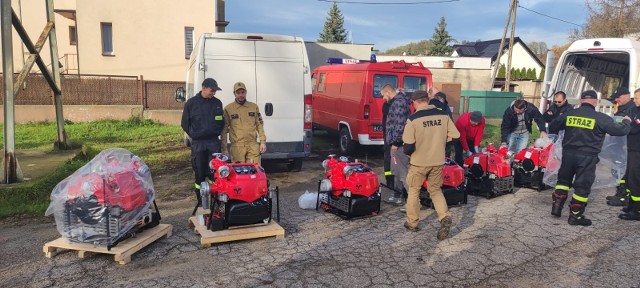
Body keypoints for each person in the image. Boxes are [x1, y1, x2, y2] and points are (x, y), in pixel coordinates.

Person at [549, 90, 631, 226]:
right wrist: (627, 122)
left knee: (563, 181)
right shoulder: (601, 118)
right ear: (595, 102)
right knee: (582, 187)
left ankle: (557, 207)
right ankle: (575, 216)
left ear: (581, 101)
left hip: (568, 154)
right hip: (587, 157)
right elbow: (620, 130)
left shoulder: (569, 114)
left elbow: (553, 126)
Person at [402, 90, 460, 240]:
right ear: (427, 100)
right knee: (435, 190)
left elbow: (408, 147)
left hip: (419, 162)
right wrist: (441, 142)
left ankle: (412, 223)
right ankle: (444, 216)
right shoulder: (443, 114)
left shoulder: (413, 119)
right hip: (438, 160)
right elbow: (456, 135)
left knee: (414, 190)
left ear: (414, 102)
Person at [181, 78, 225, 214]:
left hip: (213, 142)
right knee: (199, 173)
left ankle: (215, 200)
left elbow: (221, 122)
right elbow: (184, 123)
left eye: (215, 91)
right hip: (198, 143)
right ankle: (201, 201)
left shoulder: (217, 103)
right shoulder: (191, 103)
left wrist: (215, 132)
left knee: (214, 172)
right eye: (212, 90)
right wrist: (195, 134)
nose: (213, 93)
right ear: (204, 88)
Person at [221, 82, 267, 163]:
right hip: (237, 148)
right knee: (239, 173)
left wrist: (263, 142)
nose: (241, 95)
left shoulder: (253, 107)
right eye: (238, 93)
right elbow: (224, 129)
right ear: (234, 94)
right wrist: (224, 148)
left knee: (253, 172)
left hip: (252, 146)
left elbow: (259, 125)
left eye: (243, 92)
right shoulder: (228, 109)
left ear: (246, 93)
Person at [381, 84, 411, 205]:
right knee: (396, 171)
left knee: (402, 172)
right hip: (395, 143)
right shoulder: (397, 102)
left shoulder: (398, 103)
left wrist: (396, 142)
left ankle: (412, 201)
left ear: (388, 92)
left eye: (383, 95)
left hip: (399, 144)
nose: (383, 98)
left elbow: (400, 125)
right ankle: (397, 195)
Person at [606, 87, 635, 206]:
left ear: (626, 96)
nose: (616, 100)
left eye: (618, 97)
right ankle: (620, 193)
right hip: (618, 145)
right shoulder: (623, 108)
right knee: (618, 170)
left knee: (624, 171)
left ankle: (624, 196)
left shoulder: (632, 109)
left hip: (626, 145)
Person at [618, 89, 640, 220]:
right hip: (633, 150)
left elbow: (634, 129)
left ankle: (637, 211)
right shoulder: (637, 111)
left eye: (637, 98)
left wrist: (626, 122)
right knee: (631, 179)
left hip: (638, 151)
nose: (635, 100)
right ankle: (632, 205)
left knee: (636, 180)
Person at [382, 94, 395, 196]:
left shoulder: (389, 106)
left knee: (390, 160)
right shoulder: (388, 105)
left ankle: (391, 182)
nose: (383, 98)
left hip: (390, 138)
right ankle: (389, 180)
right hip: (389, 137)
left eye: (384, 96)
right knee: (389, 160)